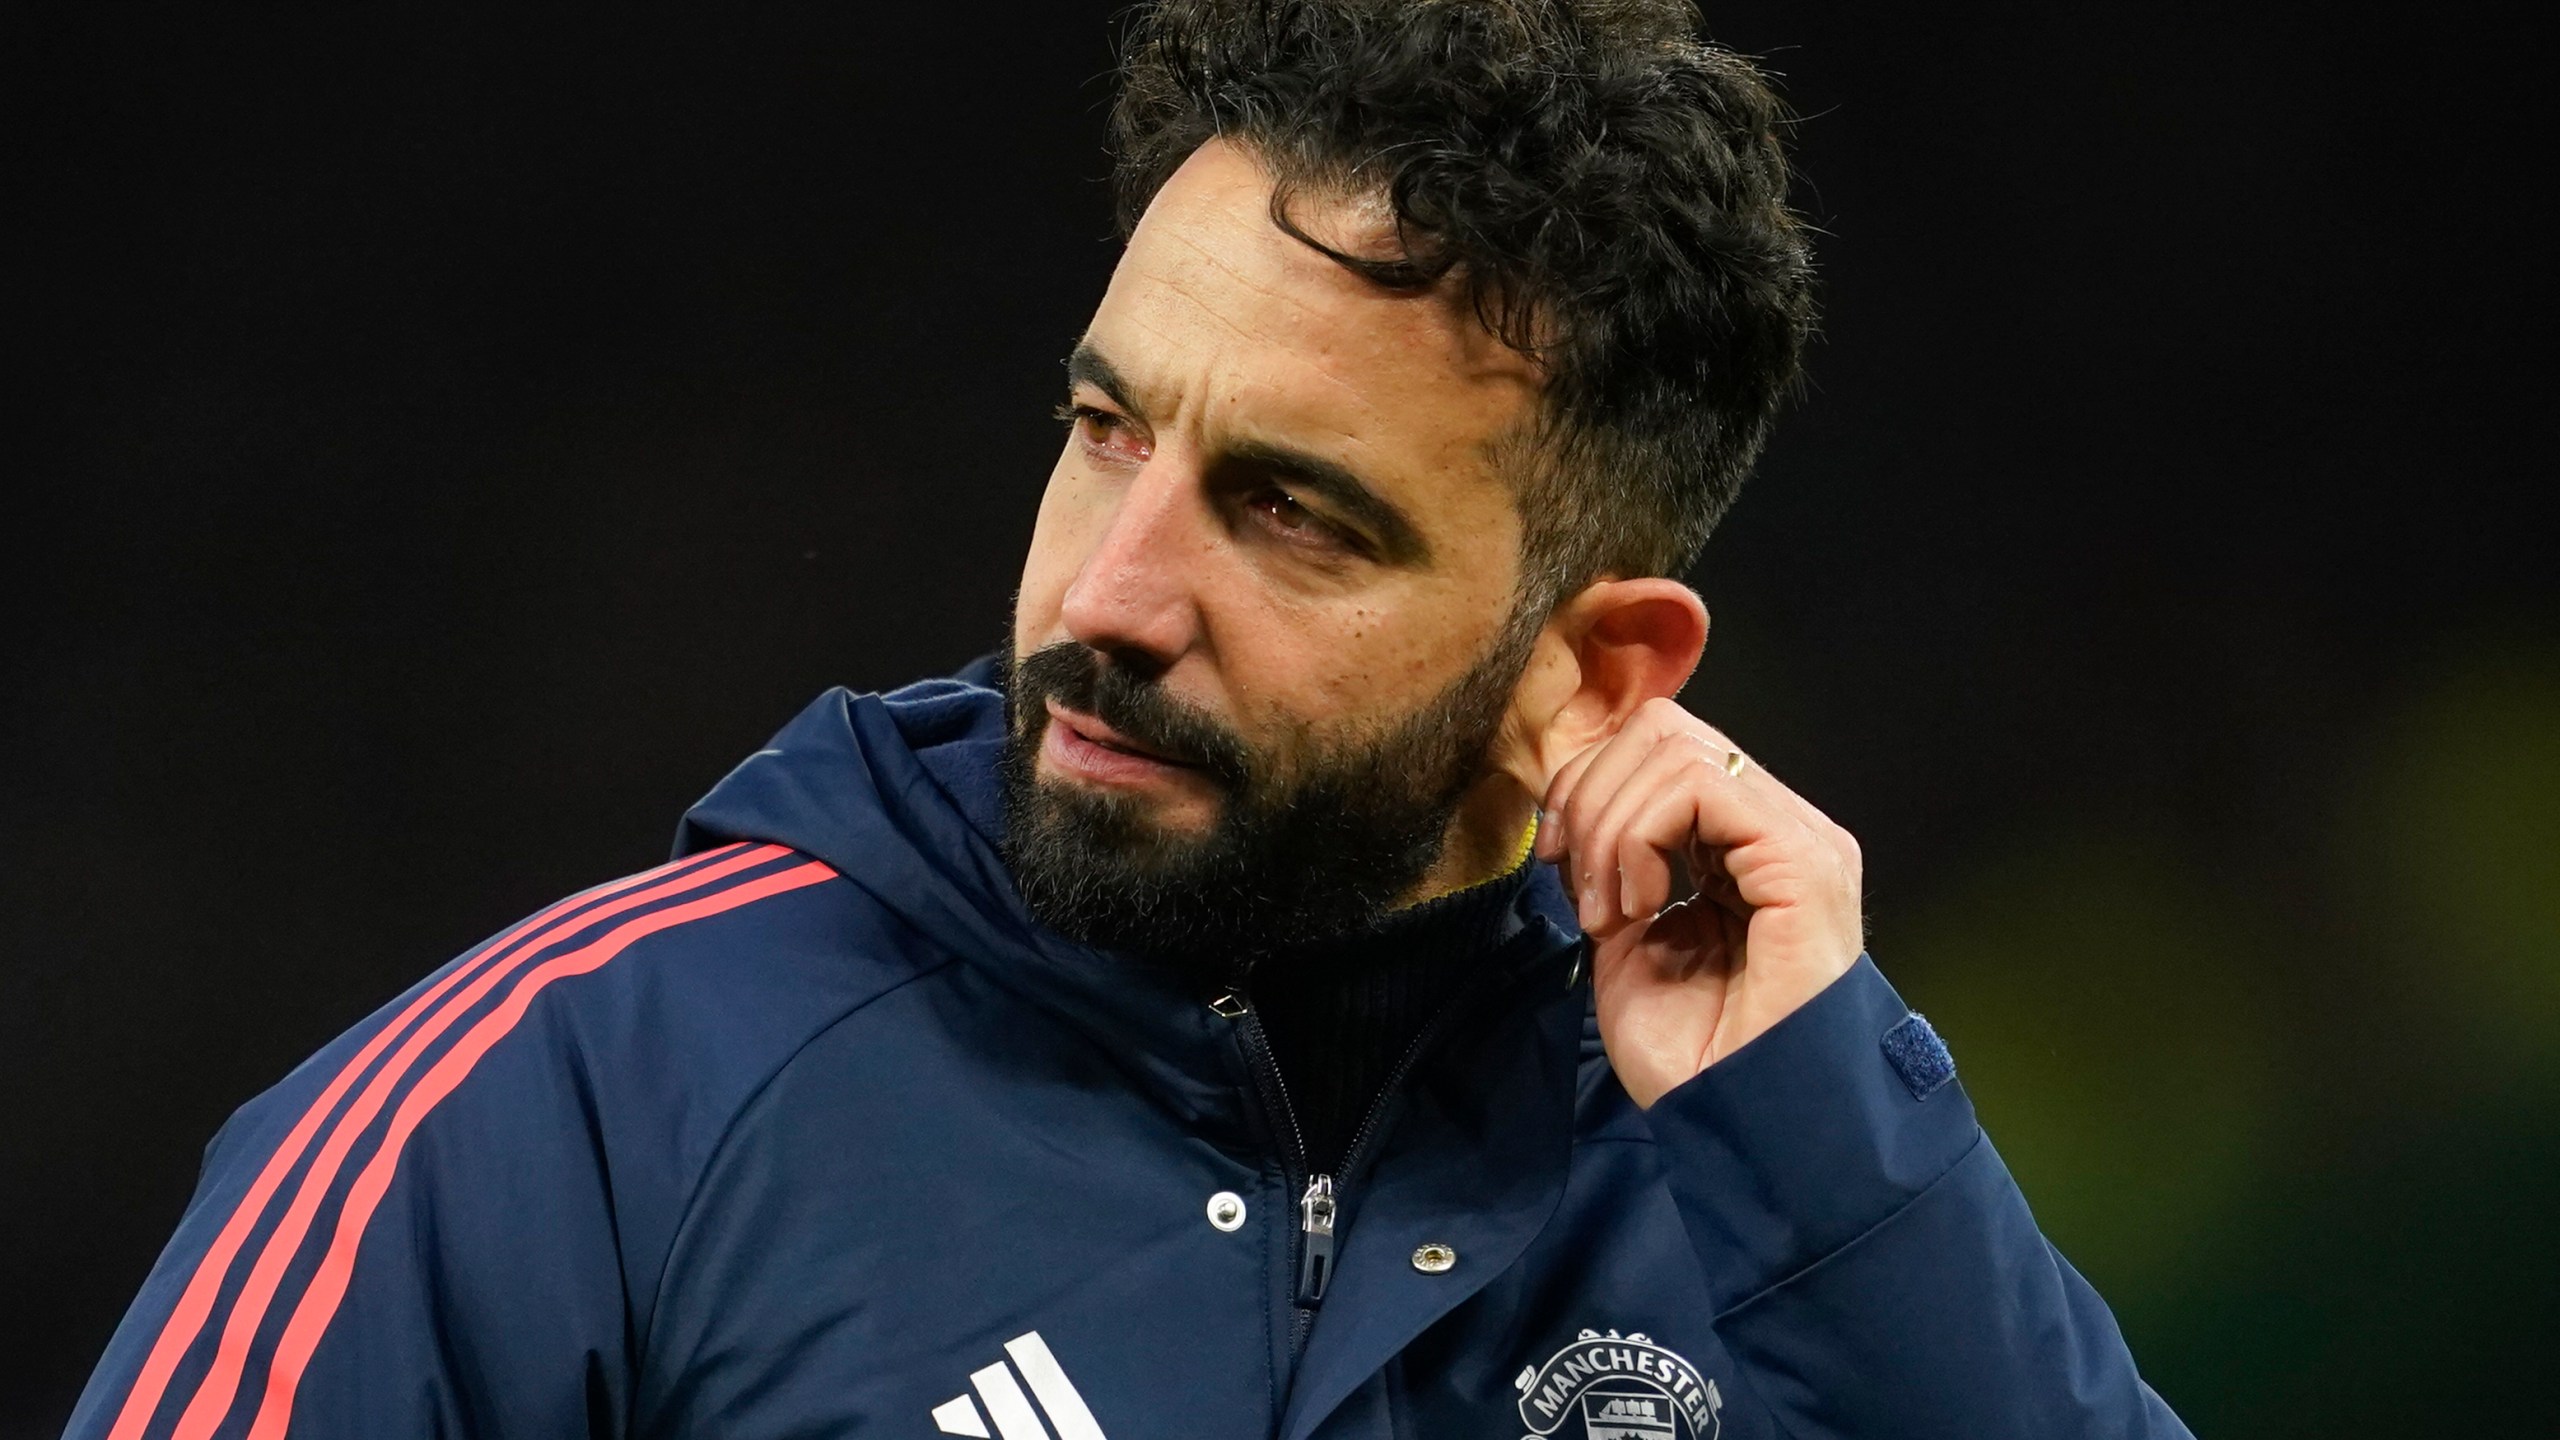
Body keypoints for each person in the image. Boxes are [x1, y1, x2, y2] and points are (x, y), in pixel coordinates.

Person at [69, 2, 2191, 1437]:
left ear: (1592, 668)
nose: (1103, 596)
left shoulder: (1767, 1189)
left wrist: (1832, 1148)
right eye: (1104, 433)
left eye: (1290, 515)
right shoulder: (560, 1109)